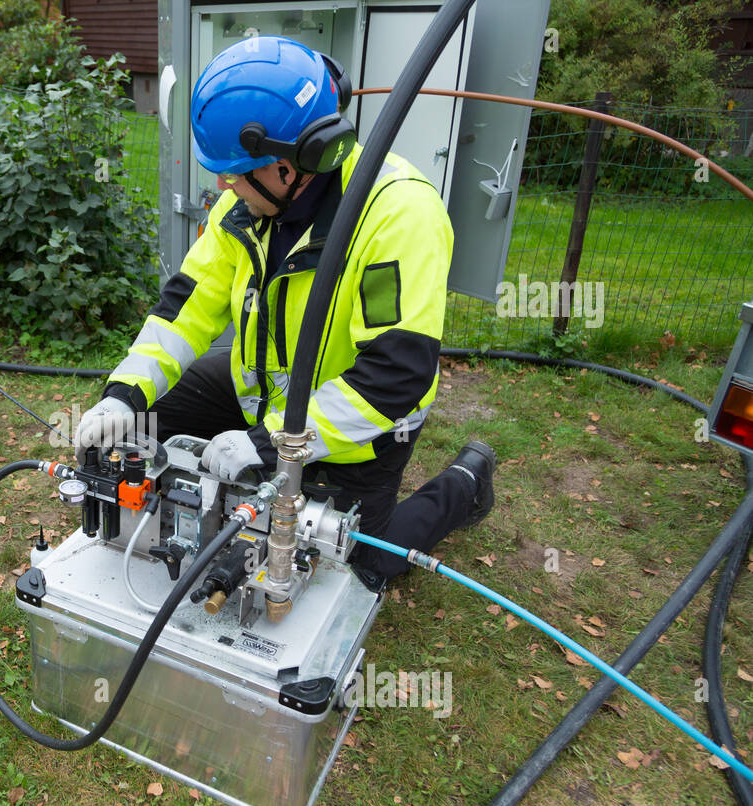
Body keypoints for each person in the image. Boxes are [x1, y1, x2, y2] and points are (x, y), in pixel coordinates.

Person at [73, 35, 497, 590]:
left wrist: (270, 445)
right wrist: (125, 393)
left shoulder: (399, 214)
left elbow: (396, 375)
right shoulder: (242, 207)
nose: (223, 185)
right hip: (267, 396)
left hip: (363, 422)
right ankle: (160, 509)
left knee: (350, 559)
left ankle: (467, 481)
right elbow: (186, 306)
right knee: (150, 418)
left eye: (236, 171)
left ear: (288, 165)